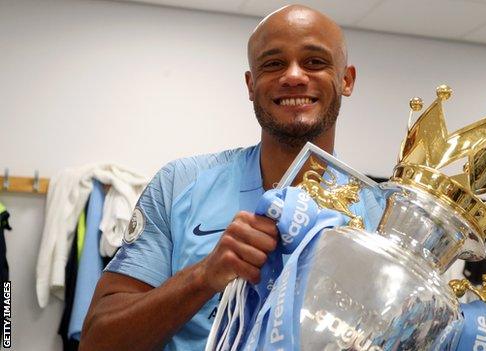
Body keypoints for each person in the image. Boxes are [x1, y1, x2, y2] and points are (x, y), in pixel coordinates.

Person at [80, 5, 359, 351]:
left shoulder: (380, 216)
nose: (294, 76)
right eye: (273, 63)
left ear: (346, 80)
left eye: (314, 62)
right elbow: (97, 341)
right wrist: (203, 276)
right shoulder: (179, 185)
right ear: (250, 84)